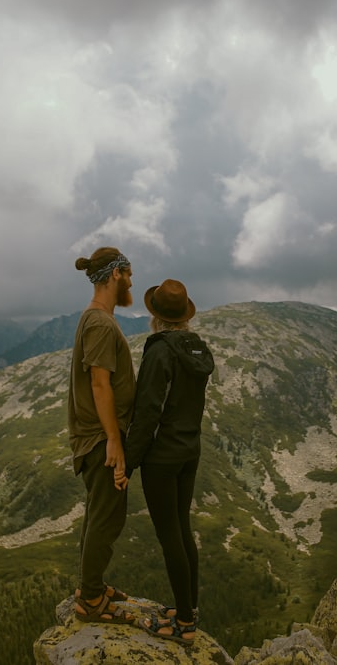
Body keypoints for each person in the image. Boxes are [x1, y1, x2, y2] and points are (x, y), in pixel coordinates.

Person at [125, 279, 215, 644]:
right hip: (189, 451)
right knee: (182, 527)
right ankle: (188, 610)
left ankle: (184, 626)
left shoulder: (160, 351)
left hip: (162, 457)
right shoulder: (196, 348)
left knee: (169, 536)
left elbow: (147, 412)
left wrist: (127, 463)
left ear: (156, 316)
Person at [68, 247, 137, 625]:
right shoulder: (99, 324)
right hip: (100, 438)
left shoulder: (99, 319)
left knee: (99, 515)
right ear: (115, 275)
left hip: (98, 436)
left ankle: (90, 586)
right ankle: (91, 599)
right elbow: (99, 383)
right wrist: (114, 439)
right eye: (128, 274)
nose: (130, 282)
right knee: (107, 519)